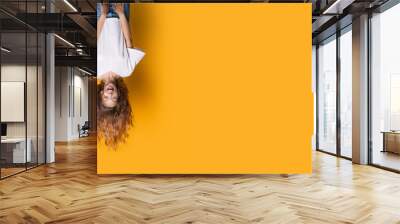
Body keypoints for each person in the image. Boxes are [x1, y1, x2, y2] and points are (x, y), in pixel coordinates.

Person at [97, 3, 144, 148]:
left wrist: (104, 15)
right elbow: (128, 40)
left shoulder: (97, 70)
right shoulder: (126, 70)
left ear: (101, 94)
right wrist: (122, 14)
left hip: (102, 16)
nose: (110, 93)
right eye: (114, 97)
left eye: (106, 97)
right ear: (120, 95)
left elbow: (97, 38)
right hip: (120, 16)